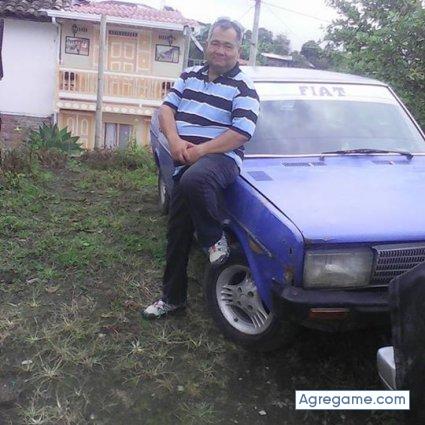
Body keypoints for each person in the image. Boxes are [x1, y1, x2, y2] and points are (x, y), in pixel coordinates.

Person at [142, 17, 260, 319]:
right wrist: (174, 141)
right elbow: (166, 109)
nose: (220, 50)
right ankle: (173, 299)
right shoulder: (189, 75)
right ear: (207, 45)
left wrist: (200, 151)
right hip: (185, 158)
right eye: (215, 43)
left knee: (194, 180)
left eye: (228, 46)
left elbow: (241, 133)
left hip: (221, 159)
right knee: (177, 233)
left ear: (238, 50)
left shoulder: (244, 87)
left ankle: (212, 238)